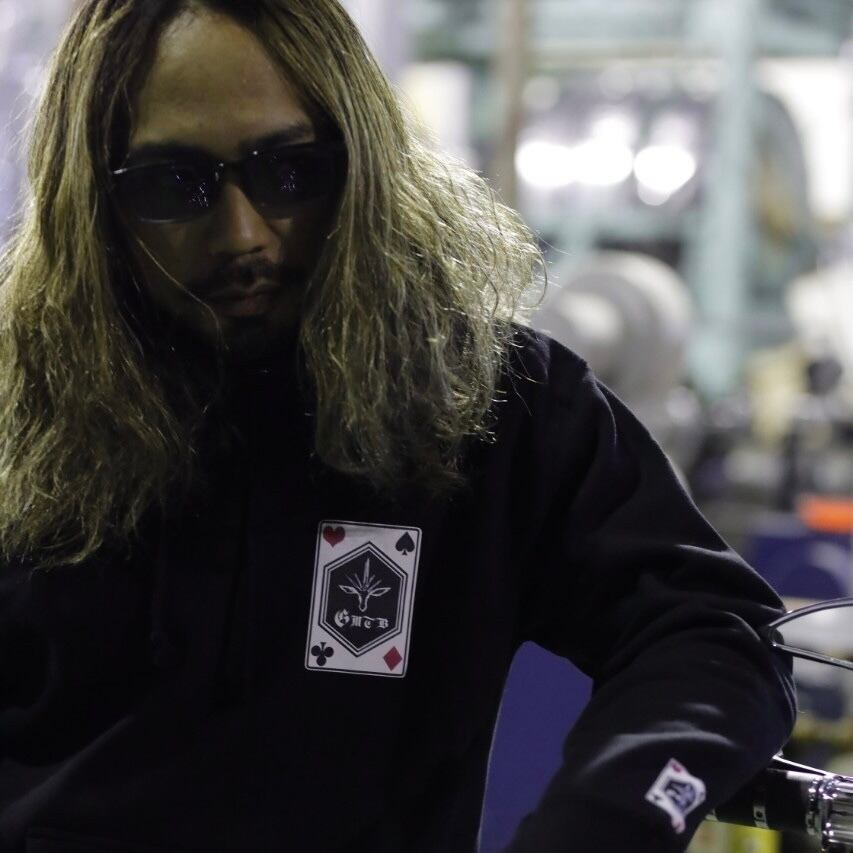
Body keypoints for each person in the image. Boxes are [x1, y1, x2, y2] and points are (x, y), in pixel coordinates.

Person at [0, 1, 795, 851]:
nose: (243, 235)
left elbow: (713, 634)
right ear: (93, 199)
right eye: (173, 185)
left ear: (363, 161)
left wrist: (608, 819)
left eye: (290, 172)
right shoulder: (21, 410)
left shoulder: (484, 402)